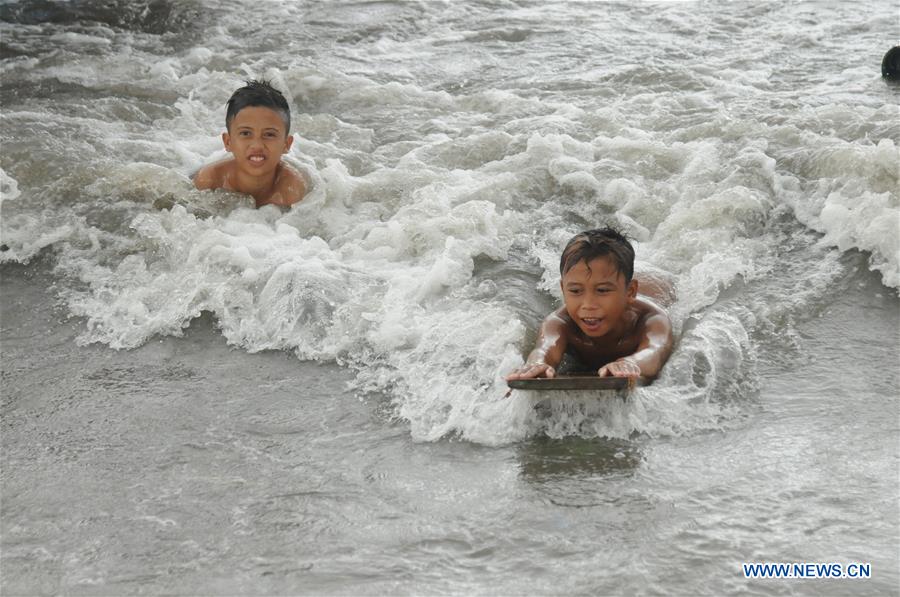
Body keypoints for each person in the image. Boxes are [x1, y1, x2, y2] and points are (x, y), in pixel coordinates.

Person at [506, 227, 673, 381]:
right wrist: (537, 363)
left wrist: (630, 363)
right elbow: (545, 349)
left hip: (658, 290)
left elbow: (655, 351)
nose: (588, 305)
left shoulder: (651, 319)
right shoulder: (559, 323)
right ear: (563, 289)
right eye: (576, 291)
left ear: (630, 292)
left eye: (602, 291)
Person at [193, 80, 306, 208]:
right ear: (228, 142)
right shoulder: (209, 181)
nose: (257, 145)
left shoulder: (291, 190)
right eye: (246, 133)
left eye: (269, 134)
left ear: (286, 144)